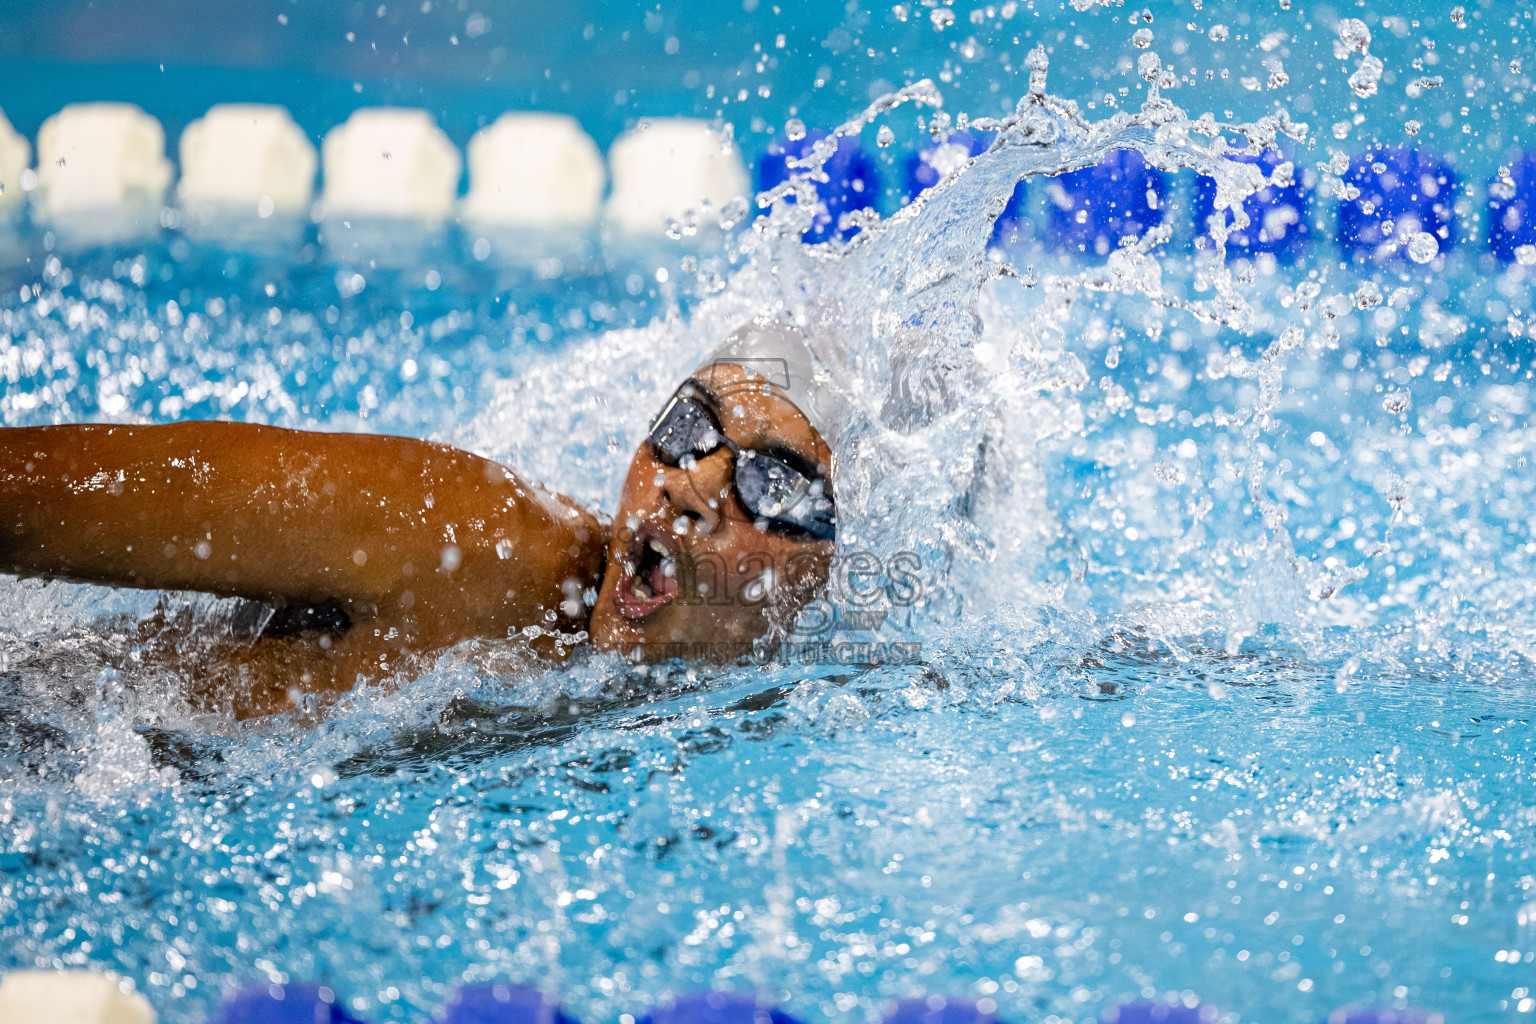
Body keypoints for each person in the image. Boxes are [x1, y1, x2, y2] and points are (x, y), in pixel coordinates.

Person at [0, 318, 844, 717]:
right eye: (689, 426)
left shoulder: (776, 701)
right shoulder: (474, 540)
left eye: (772, 482)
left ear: (836, 559)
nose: (689, 484)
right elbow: (26, 497)